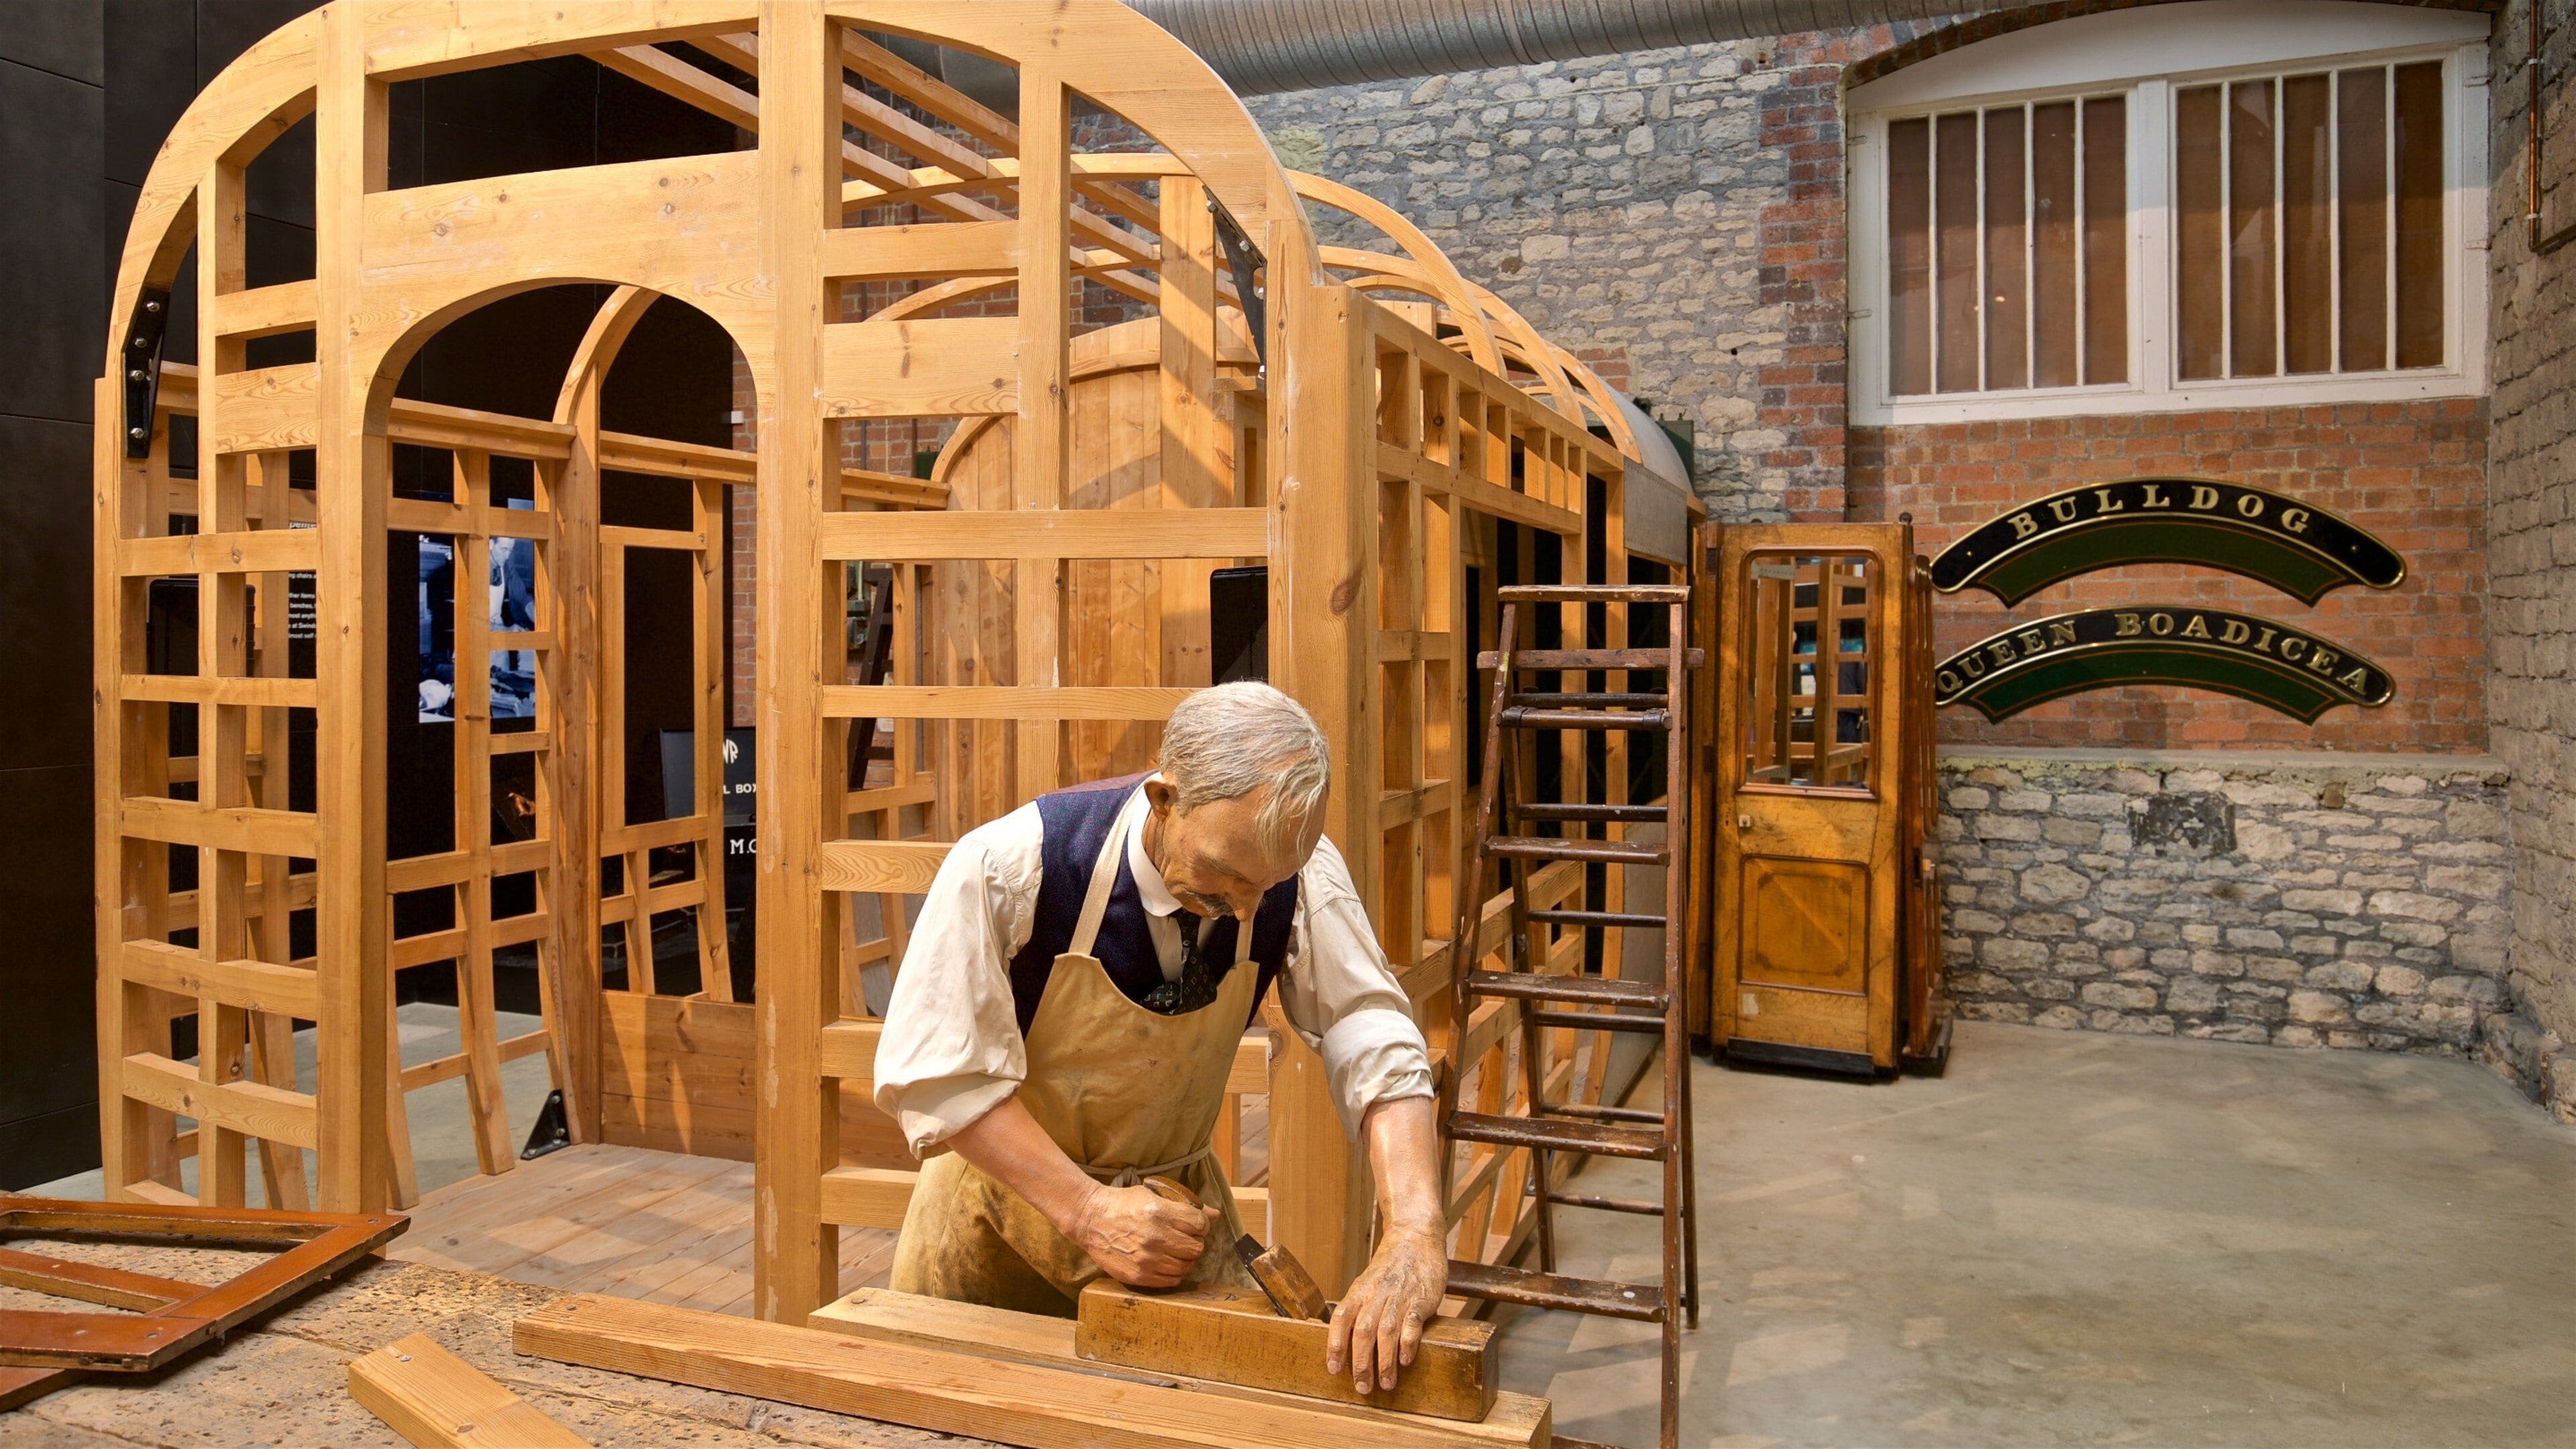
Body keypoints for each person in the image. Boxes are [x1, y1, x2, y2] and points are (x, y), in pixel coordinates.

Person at [873, 682, 1449, 1393]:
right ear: (1163, 800)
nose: (1243, 908)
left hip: (1171, 1235)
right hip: (995, 1226)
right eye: (1225, 876)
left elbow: (1371, 1031)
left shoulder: (1292, 871)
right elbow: (941, 1075)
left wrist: (1414, 1229)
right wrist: (1086, 1211)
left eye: (1264, 888)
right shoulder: (1011, 865)